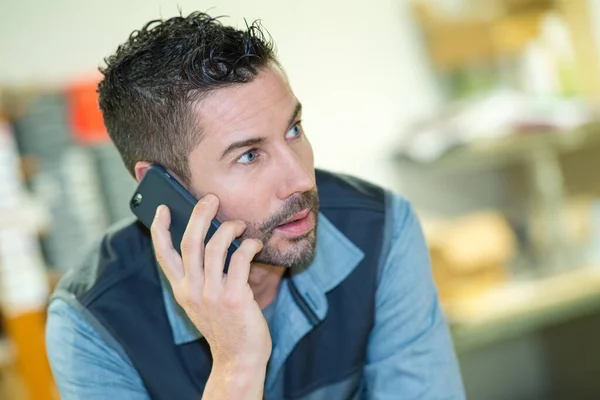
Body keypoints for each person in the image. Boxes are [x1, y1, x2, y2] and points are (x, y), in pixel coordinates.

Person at [45, 11, 465, 400]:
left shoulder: (380, 230)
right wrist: (236, 366)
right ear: (162, 187)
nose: (300, 179)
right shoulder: (94, 322)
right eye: (249, 155)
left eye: (294, 129)